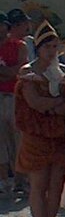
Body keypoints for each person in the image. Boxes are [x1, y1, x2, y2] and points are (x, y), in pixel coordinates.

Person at [12, 23, 65, 217]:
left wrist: (59, 106)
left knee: (56, 185)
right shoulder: (29, 74)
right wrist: (58, 104)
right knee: (38, 185)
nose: (51, 50)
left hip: (59, 135)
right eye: (47, 46)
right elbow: (36, 103)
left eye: (54, 46)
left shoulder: (64, 73)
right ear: (38, 48)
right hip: (36, 135)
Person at [0, 12, 26, 195]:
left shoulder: (19, 46)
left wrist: (6, 71)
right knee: (1, 142)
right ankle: (3, 180)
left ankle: (19, 180)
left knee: (18, 139)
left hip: (14, 95)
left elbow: (19, 71)